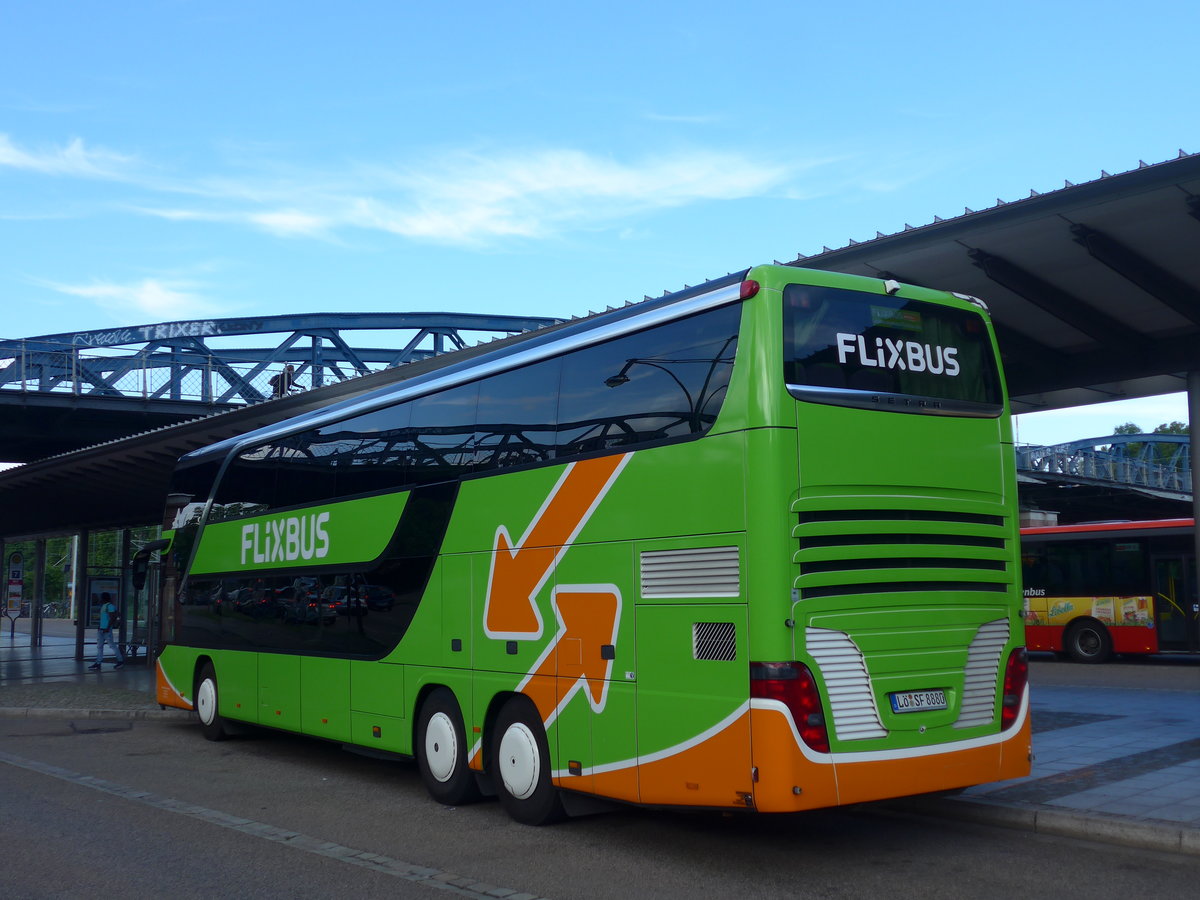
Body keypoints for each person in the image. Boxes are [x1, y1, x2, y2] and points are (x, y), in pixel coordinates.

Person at [89, 592, 124, 670]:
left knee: (112, 645)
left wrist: (108, 627)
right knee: (100, 646)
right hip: (102, 629)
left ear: (104, 598)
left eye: (101, 598)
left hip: (106, 630)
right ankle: (98, 662)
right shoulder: (105, 606)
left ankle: (120, 660)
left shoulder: (109, 606)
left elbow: (112, 618)